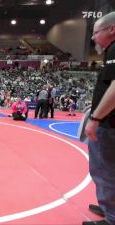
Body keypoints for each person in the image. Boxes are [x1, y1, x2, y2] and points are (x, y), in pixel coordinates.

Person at [83, 11, 115, 225]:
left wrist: (95, 117)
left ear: (111, 29)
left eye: (96, 32)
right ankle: (108, 207)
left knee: (104, 170)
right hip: (109, 121)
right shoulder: (110, 51)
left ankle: (112, 217)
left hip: (109, 124)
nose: (93, 37)